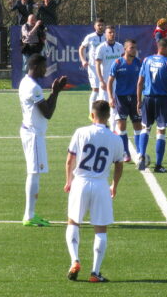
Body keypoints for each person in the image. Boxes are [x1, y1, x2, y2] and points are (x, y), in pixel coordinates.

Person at [64, 100, 124, 283]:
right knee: (101, 228)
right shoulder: (115, 138)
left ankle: (75, 260)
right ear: (108, 117)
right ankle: (95, 272)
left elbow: (69, 160)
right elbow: (119, 165)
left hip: (80, 182)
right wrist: (114, 185)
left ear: (92, 114)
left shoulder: (81, 132)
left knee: (73, 222)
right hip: (100, 184)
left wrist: (69, 181)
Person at [18, 54, 67, 227]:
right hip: (33, 134)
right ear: (37, 66)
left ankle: (30, 214)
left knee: (34, 172)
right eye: (44, 66)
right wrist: (55, 93)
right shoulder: (34, 87)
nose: (46, 70)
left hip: (29, 131)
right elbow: (48, 113)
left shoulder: (25, 82)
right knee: (34, 173)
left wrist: (54, 93)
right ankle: (29, 216)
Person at [136, 38, 167, 173]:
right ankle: (158, 166)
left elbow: (140, 82)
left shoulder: (147, 60)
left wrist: (138, 100)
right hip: (162, 100)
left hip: (147, 98)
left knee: (145, 128)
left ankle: (141, 157)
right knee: (161, 131)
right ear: (162, 48)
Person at [107, 39, 142, 163]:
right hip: (121, 99)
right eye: (131, 48)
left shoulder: (139, 63)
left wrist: (141, 99)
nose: (134, 50)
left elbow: (143, 82)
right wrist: (111, 98)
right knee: (121, 125)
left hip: (135, 98)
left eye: (135, 48)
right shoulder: (117, 63)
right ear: (125, 49)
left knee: (137, 125)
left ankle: (139, 153)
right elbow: (110, 82)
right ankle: (125, 152)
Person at [95, 25, 124, 130]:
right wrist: (101, 80)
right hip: (106, 82)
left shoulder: (120, 47)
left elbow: (123, 63)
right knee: (104, 106)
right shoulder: (101, 48)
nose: (112, 34)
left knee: (116, 107)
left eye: (113, 32)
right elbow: (97, 65)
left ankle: (113, 129)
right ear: (105, 34)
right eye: (109, 32)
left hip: (118, 82)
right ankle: (100, 127)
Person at [78, 18, 106, 113]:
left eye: (102, 25)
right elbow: (81, 48)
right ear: (95, 26)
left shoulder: (107, 37)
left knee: (104, 89)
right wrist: (83, 60)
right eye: (99, 25)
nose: (101, 27)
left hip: (104, 67)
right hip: (93, 66)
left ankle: (101, 112)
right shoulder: (90, 37)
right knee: (96, 89)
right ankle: (92, 113)